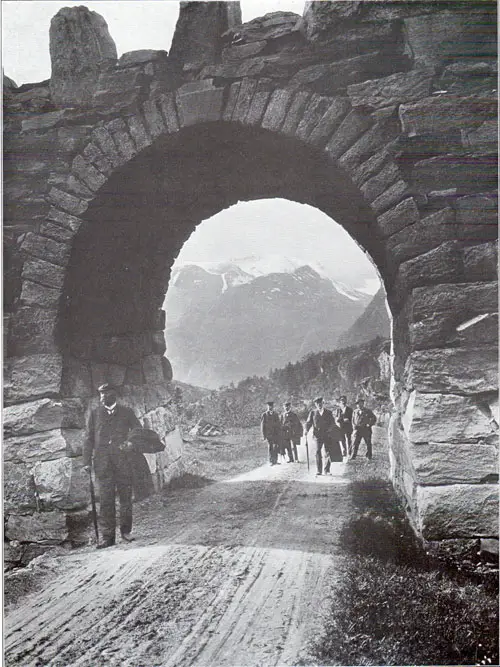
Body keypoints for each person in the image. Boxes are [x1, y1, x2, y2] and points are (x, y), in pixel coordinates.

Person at [82, 383, 142, 548]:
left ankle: (126, 532)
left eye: (106, 394)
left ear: (114, 395)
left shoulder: (126, 412)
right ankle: (107, 537)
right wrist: (86, 462)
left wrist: (130, 443)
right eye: (100, 395)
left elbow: (138, 431)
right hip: (103, 464)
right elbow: (88, 439)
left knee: (125, 498)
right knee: (106, 500)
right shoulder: (94, 414)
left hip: (123, 462)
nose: (102, 398)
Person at [304, 397, 338, 475]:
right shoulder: (312, 413)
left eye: (320, 403)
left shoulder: (328, 412)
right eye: (317, 404)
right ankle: (319, 470)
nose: (319, 405)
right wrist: (306, 430)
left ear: (323, 403)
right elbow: (308, 423)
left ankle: (327, 470)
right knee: (317, 451)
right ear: (315, 404)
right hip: (317, 436)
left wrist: (329, 430)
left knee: (328, 452)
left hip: (327, 435)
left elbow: (333, 423)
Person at [261, 401, 282, 466]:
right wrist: (264, 435)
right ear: (267, 407)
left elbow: (278, 424)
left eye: (271, 406)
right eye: (269, 406)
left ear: (273, 407)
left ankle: (275, 460)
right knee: (270, 447)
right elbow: (262, 426)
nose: (270, 407)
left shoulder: (276, 414)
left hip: (275, 434)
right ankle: (271, 461)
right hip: (269, 434)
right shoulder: (264, 415)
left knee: (276, 447)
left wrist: (279, 433)